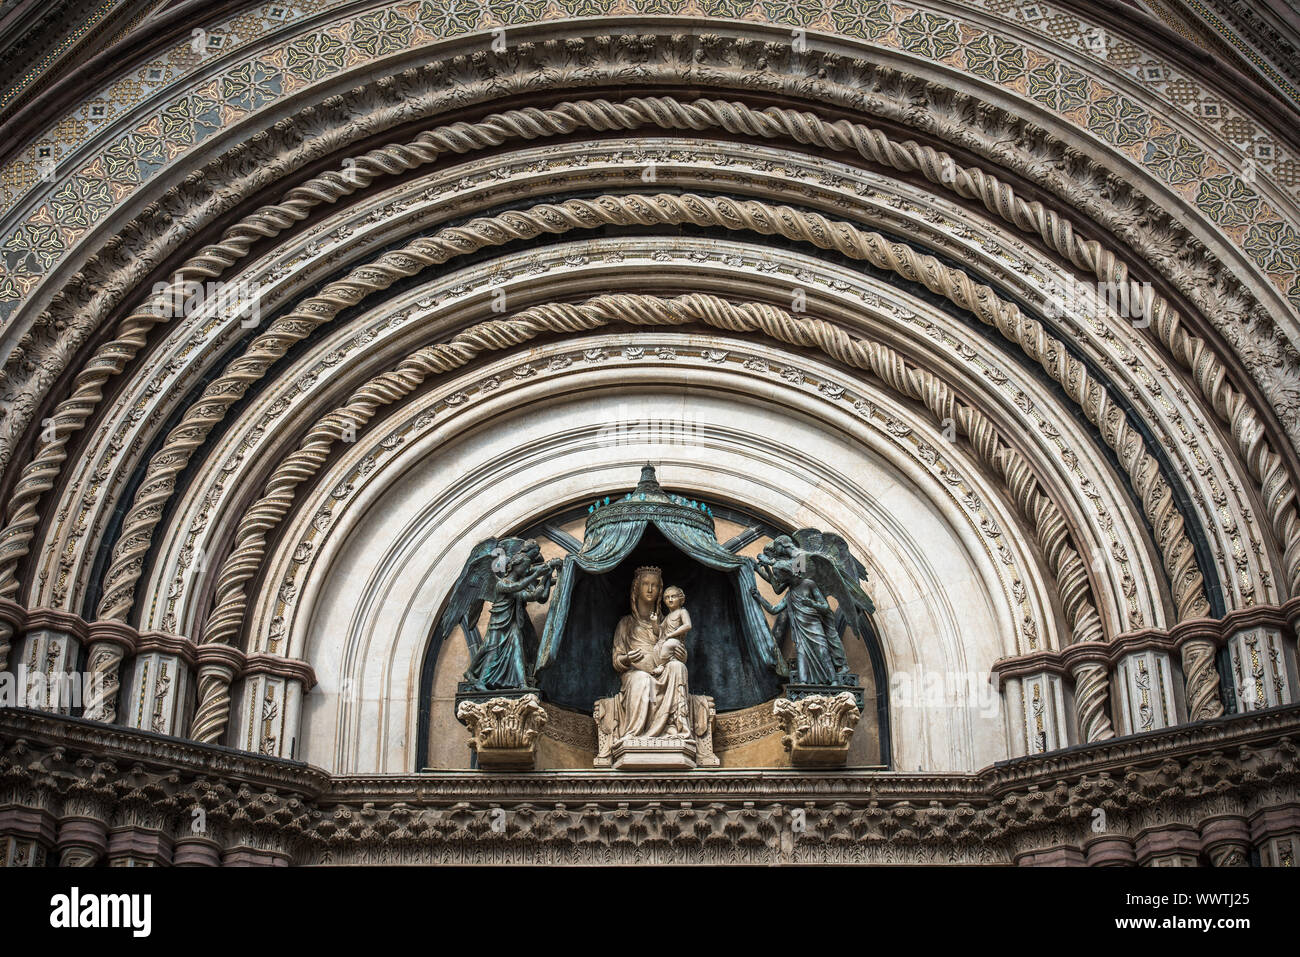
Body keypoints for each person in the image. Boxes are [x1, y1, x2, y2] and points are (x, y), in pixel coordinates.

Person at [611, 567, 691, 739]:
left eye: (654, 585)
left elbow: (677, 648)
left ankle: (678, 728)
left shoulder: (666, 622)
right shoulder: (626, 623)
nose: (649, 589)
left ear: (660, 590)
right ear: (636, 588)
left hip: (663, 671)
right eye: (645, 584)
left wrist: (681, 656)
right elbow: (617, 660)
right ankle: (635, 734)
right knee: (642, 679)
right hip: (636, 674)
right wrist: (627, 658)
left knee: (678, 667)